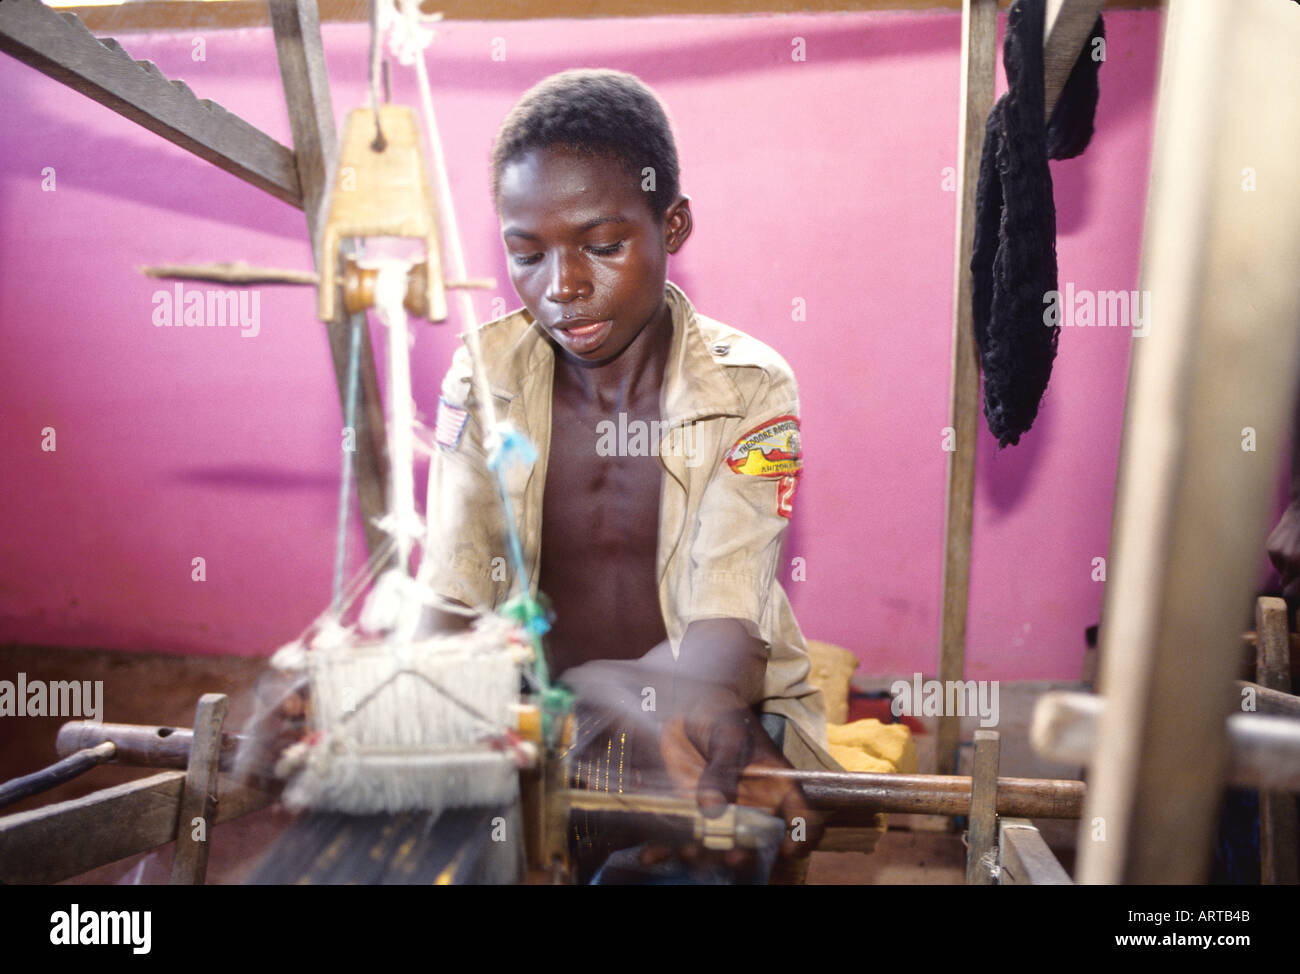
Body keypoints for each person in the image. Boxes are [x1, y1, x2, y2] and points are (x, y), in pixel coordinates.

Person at [418, 69, 838, 882]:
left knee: (710, 852)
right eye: (527, 254)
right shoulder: (483, 378)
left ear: (672, 225)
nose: (563, 287)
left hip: (713, 709)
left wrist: (669, 711)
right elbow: (453, 598)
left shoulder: (751, 387)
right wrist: (389, 711)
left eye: (603, 246)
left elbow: (729, 612)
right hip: (545, 722)